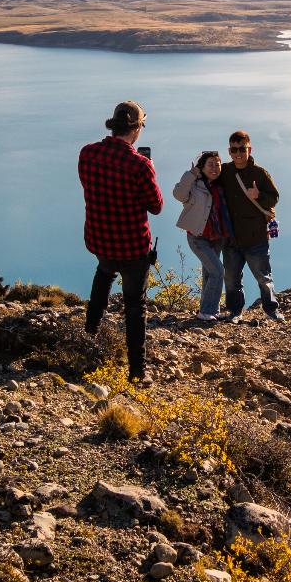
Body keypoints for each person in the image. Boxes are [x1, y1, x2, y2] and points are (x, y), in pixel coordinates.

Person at [78, 100, 163, 380]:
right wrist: (149, 168)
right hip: (132, 247)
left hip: (100, 241)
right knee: (135, 307)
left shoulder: (87, 154)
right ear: (137, 129)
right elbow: (156, 205)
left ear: (113, 125)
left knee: (103, 277)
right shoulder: (140, 166)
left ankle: (88, 340)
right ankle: (137, 371)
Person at [220, 129, 282, 321]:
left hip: (256, 238)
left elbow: (274, 197)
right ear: (229, 151)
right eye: (234, 149)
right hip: (231, 238)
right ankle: (235, 311)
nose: (238, 153)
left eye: (242, 149)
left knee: (264, 278)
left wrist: (259, 196)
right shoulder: (226, 171)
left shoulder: (260, 174)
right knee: (231, 279)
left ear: (249, 149)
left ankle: (272, 310)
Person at [173, 150, 231, 322]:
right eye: (210, 164)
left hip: (217, 236)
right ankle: (206, 312)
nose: (214, 167)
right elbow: (178, 195)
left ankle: (210, 310)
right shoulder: (194, 184)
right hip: (198, 237)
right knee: (218, 271)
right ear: (202, 167)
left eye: (217, 164)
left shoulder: (223, 185)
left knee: (209, 272)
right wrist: (191, 174)